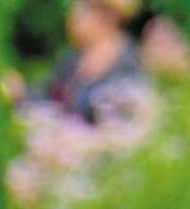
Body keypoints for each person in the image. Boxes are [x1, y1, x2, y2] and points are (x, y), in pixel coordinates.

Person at [19, 0, 148, 126]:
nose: (72, 16)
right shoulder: (70, 60)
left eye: (81, 8)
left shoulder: (129, 62)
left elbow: (128, 122)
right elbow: (45, 96)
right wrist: (20, 94)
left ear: (107, 16)